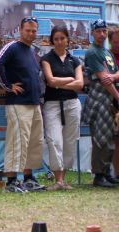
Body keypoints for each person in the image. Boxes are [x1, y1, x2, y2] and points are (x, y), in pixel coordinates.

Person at [0, 17, 45, 193]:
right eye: (28, 30)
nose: (31, 33)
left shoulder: (31, 51)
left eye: (34, 30)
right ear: (20, 30)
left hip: (34, 102)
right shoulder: (13, 47)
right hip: (18, 103)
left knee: (33, 142)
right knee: (17, 142)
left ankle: (28, 178)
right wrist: (7, 86)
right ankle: (12, 181)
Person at [40, 25, 84, 190]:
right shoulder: (46, 59)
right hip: (52, 104)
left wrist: (60, 83)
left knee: (70, 141)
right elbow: (50, 81)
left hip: (72, 104)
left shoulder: (75, 60)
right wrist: (70, 80)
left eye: (62, 38)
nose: (59, 42)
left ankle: (62, 179)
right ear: (52, 41)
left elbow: (80, 84)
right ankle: (57, 179)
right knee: (54, 140)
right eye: (56, 39)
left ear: (67, 40)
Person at [83, 19, 119, 187]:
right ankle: (98, 176)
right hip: (98, 100)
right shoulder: (92, 52)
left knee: (109, 137)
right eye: (98, 31)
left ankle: (106, 172)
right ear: (92, 33)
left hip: (108, 100)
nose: (102, 34)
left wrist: (113, 76)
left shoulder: (107, 52)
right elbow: (104, 80)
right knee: (100, 139)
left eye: (104, 31)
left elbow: (114, 74)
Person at [108, 27, 119, 180]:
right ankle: (117, 173)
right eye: (115, 42)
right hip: (112, 100)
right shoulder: (106, 55)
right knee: (116, 140)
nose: (117, 44)